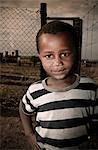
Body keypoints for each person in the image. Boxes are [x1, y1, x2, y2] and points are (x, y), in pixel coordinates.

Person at [19, 21, 98, 150]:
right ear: (40, 58)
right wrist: (29, 134)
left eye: (65, 54)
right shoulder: (35, 91)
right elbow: (23, 109)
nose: (58, 62)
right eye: (49, 56)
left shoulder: (90, 88)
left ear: (76, 52)